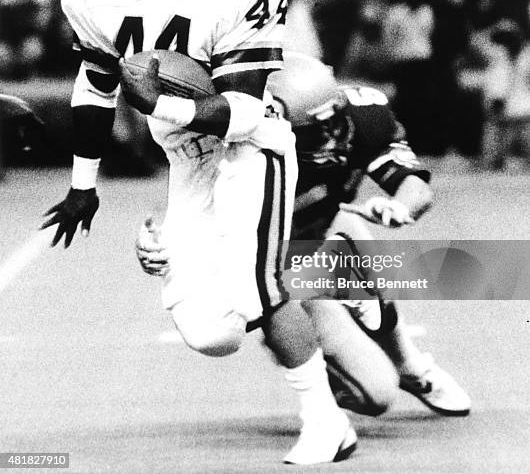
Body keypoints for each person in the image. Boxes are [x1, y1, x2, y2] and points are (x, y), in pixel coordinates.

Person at [40, 0, 355, 465]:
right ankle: (236, 273)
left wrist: (159, 100)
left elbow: (240, 109)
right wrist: (83, 184)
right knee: (212, 332)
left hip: (250, 145)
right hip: (185, 153)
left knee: (257, 288)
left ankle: (326, 420)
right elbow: (98, 81)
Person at [138, 51, 471, 418]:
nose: (333, 136)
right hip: (277, 274)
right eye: (317, 131)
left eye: (334, 121)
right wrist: (158, 242)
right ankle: (295, 341)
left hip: (324, 233)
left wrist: (399, 208)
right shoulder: (241, 149)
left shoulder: (363, 113)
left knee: (354, 236)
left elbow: (416, 188)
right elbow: (184, 207)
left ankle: (411, 366)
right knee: (376, 396)